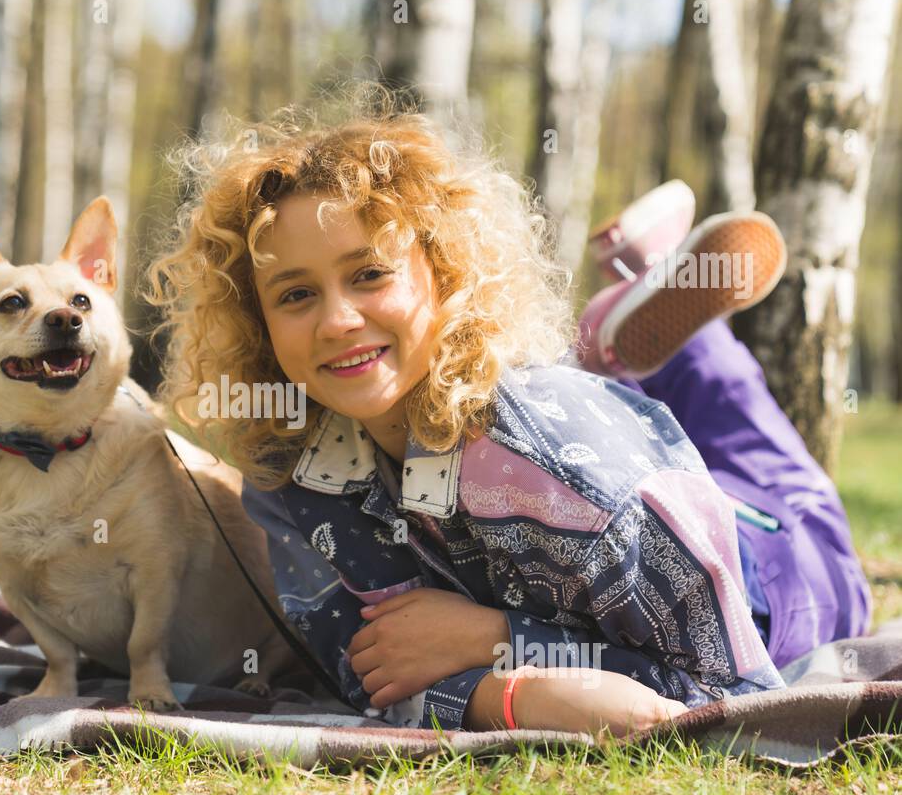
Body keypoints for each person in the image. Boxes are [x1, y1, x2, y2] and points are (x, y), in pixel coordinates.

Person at [143, 91, 872, 739]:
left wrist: (500, 647)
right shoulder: (283, 467)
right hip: (619, 476)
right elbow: (371, 669)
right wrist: (514, 696)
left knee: (791, 485)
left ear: (447, 274)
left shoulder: (566, 470)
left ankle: (655, 308)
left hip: (782, 569)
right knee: (706, 436)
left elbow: (725, 697)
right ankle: (628, 323)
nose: (337, 320)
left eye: (370, 274)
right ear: (257, 320)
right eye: (295, 295)